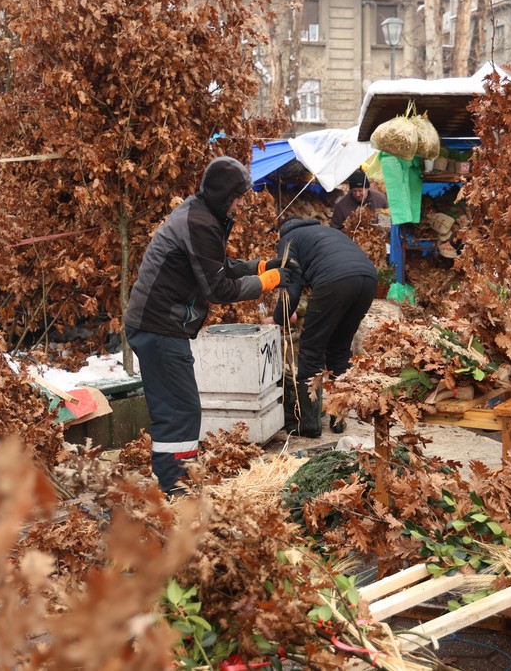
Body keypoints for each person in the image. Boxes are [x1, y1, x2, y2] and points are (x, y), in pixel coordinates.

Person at [124, 156, 295, 495]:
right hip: (158, 327)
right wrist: (268, 281)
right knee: (181, 410)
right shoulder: (200, 223)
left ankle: (174, 482)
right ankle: (176, 488)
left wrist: (260, 265)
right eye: (239, 196)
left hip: (159, 325)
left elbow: (217, 266)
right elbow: (217, 288)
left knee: (176, 408)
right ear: (222, 194)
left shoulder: (201, 215)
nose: (242, 203)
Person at [265, 216, 378, 437]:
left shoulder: (287, 240)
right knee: (340, 347)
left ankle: (308, 424)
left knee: (311, 347)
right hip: (368, 279)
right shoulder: (325, 233)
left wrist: (279, 318)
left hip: (335, 280)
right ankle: (339, 419)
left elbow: (292, 286)